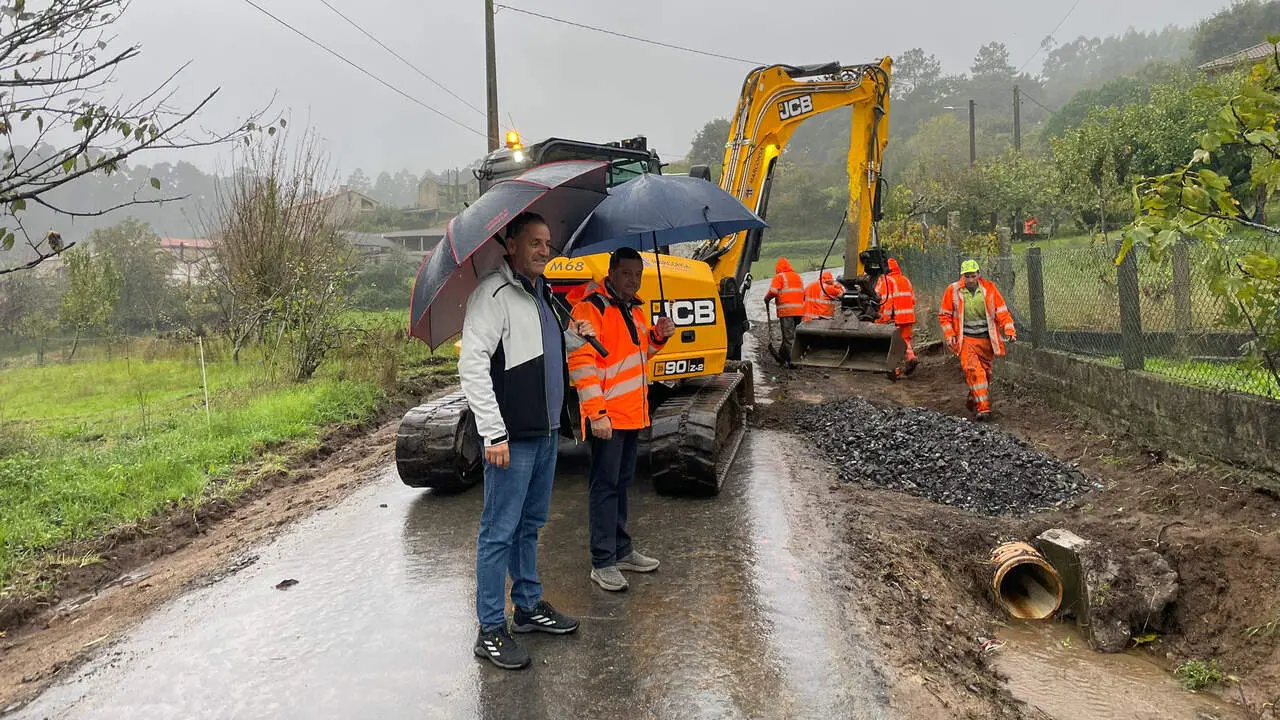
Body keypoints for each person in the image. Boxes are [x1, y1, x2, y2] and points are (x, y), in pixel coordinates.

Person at [458, 211, 597, 670]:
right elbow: (473, 364)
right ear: (511, 245)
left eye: (548, 242)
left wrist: (576, 338)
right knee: (498, 531)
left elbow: (544, 350)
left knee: (530, 524)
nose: (544, 250)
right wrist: (492, 431)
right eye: (535, 242)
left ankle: (529, 608)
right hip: (511, 439)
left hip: (547, 431)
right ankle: (491, 629)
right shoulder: (493, 294)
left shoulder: (542, 294)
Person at [567, 247, 676, 592]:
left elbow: (637, 357)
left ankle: (622, 549)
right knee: (604, 487)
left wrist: (658, 337)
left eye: (637, 275)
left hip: (631, 414)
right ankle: (602, 561)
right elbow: (582, 365)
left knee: (621, 483)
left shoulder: (634, 310)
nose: (633, 281)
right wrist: (596, 413)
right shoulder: (591, 309)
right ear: (611, 272)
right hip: (607, 418)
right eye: (626, 273)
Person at [938, 259, 1016, 421]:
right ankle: (984, 408)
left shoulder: (989, 289)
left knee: (986, 375)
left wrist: (1009, 329)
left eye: (973, 276)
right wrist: (950, 334)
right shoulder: (953, 291)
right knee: (974, 371)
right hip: (966, 339)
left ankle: (974, 399)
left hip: (986, 341)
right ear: (962, 276)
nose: (970, 279)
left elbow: (1002, 311)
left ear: (979, 275)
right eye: (967, 276)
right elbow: (944, 315)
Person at [873, 258, 918, 373]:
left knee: (894, 345)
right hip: (908, 317)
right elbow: (913, 300)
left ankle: (895, 370)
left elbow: (885, 301)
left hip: (896, 318)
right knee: (905, 340)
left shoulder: (886, 281)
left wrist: (884, 319)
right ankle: (911, 358)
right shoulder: (905, 280)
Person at [764, 257, 804, 364]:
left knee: (788, 336)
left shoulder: (779, 277)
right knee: (795, 335)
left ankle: (793, 361)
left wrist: (767, 298)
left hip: (787, 311)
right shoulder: (797, 276)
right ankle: (782, 355)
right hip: (799, 311)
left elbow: (773, 291)